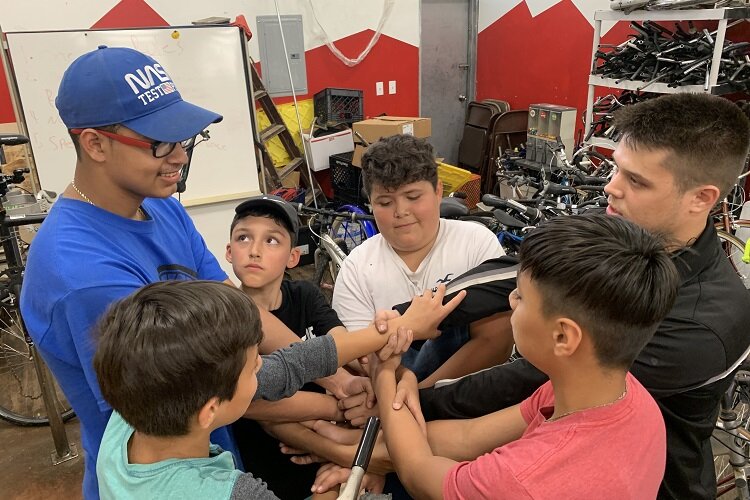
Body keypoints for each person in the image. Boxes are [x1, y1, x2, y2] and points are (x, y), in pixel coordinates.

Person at [275, 93, 750, 500]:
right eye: (616, 170)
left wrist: (375, 419)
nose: (611, 187)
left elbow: (516, 381)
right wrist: (400, 326)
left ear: (702, 198)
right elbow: (500, 287)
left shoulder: (702, 325)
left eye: (637, 181)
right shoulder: (601, 383)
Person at [18, 45, 302, 499]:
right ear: (94, 143)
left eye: (184, 139)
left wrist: (335, 374)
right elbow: (197, 394)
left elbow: (235, 309)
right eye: (159, 144)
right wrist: (337, 416)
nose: (180, 158)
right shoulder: (84, 274)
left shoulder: (159, 206)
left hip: (208, 451)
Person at [364, 214, 678, 499]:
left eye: (522, 297)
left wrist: (384, 374)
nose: (511, 301)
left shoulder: (522, 479)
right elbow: (467, 437)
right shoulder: (623, 395)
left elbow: (419, 475)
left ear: (563, 336)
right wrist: (403, 382)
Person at [93, 280, 459, 499]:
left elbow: (290, 364)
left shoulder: (133, 410)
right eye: (253, 364)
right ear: (209, 411)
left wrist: (395, 329)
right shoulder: (233, 494)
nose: (262, 365)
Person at [225, 194, 376, 498]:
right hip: (265, 461)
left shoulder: (304, 295)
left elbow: (341, 344)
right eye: (244, 238)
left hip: (325, 447)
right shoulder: (226, 315)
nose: (254, 251)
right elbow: (256, 408)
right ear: (229, 252)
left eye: (271, 241)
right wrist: (340, 420)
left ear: (293, 257)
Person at [332, 134, 509, 386]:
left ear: (438, 192)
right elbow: (359, 357)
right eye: (384, 201)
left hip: (465, 395)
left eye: (413, 197)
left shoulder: (476, 243)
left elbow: (497, 338)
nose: (401, 211)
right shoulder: (356, 268)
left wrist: (421, 393)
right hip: (390, 396)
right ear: (370, 203)